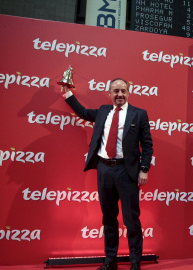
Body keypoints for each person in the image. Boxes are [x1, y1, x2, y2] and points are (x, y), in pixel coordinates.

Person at [62, 78, 153, 270]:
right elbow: (83, 112)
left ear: (128, 93)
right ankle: (110, 261)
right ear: (110, 93)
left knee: (131, 220)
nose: (119, 94)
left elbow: (147, 145)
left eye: (123, 91)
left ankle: (135, 263)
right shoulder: (103, 111)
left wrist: (144, 169)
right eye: (115, 91)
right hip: (104, 170)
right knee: (109, 219)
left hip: (127, 171)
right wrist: (67, 93)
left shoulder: (139, 114)